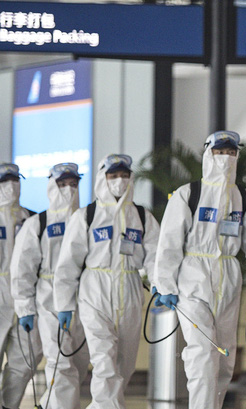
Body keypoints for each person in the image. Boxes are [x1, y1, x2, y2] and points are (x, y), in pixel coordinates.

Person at [153, 131, 246, 408]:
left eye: (231, 153)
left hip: (229, 279)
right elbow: (169, 242)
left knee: (224, 358)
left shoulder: (244, 198)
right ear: (208, 155)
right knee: (202, 351)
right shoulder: (189, 194)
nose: (226, 158)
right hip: (193, 280)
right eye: (220, 152)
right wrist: (165, 284)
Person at [54, 154, 159, 408]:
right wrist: (64, 304)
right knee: (104, 361)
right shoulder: (87, 216)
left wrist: (160, 285)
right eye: (113, 176)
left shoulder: (141, 216)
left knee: (124, 365)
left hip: (130, 290)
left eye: (124, 175)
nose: (119, 181)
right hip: (95, 292)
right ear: (103, 178)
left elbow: (156, 256)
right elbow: (68, 263)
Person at [11, 163, 89, 409]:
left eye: (73, 184)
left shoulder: (88, 218)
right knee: (60, 361)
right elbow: (22, 268)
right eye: (62, 184)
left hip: (84, 298)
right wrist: (25, 308)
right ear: (51, 186)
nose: (68, 189)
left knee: (78, 363)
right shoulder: (39, 223)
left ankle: (48, 405)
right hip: (49, 300)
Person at [0, 163, 43, 409]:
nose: (11, 185)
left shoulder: (33, 219)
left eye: (15, 179)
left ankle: (9, 405)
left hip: (26, 296)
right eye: (5, 180)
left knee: (27, 357)